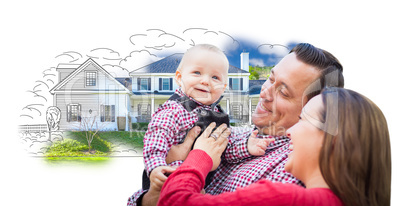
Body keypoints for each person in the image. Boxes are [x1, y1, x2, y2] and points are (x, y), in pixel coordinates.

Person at [128, 43, 344, 205]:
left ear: (316, 108)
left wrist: (196, 158)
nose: (264, 91)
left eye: (283, 92)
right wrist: (150, 193)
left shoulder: (291, 170)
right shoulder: (240, 133)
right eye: (271, 78)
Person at [158, 87, 392, 206]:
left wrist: (199, 156)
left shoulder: (284, 198)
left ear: (332, 140)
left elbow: (173, 202)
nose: (290, 132)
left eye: (303, 120)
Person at [129, 44, 272, 205]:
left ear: (223, 88)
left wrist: (247, 147)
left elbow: (224, 148)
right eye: (197, 72)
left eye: (215, 77)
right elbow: (156, 140)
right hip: (168, 178)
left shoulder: (218, 115)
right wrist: (156, 167)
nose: (205, 81)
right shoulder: (174, 109)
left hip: (198, 187)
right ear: (179, 77)